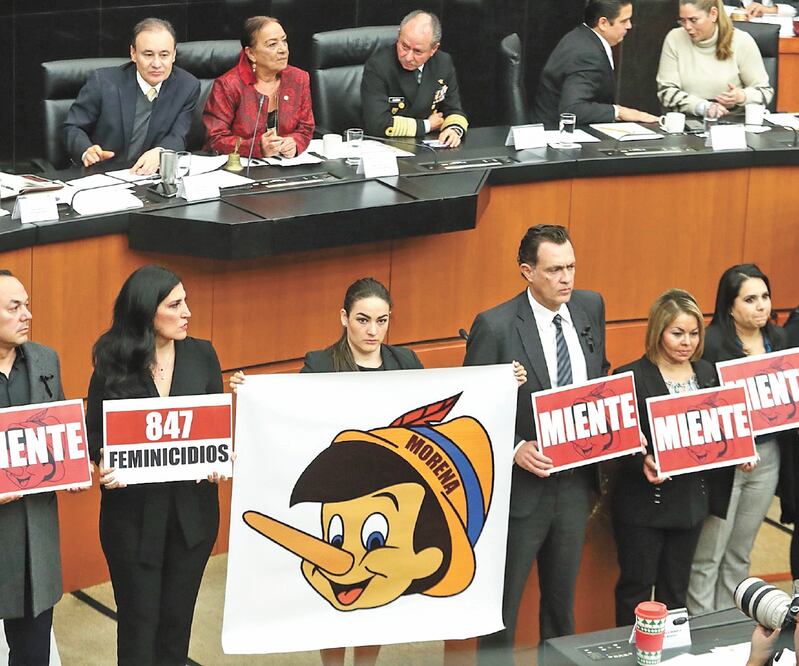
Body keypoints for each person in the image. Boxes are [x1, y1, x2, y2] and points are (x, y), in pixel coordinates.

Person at [230, 277, 527, 665]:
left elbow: (441, 408)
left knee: (376, 595)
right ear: (344, 318)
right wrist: (250, 391)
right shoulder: (320, 364)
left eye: (382, 321)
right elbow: (292, 413)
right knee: (336, 588)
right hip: (341, 499)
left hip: (387, 502)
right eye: (363, 320)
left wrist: (504, 382)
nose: (373, 331)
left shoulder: (406, 362)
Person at [463, 224, 610, 663]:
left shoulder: (590, 306)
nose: (567, 279)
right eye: (554, 270)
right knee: (503, 608)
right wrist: (512, 447)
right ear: (527, 271)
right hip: (521, 492)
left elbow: (597, 375)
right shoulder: (496, 326)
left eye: (571, 267)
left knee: (561, 605)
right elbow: (470, 406)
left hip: (574, 483)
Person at [87, 265, 225, 666]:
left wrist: (220, 456)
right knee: (137, 626)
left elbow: (213, 428)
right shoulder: (112, 363)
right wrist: (104, 464)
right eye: (175, 304)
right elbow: (97, 438)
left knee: (176, 627)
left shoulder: (203, 354)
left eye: (186, 302)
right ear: (148, 312)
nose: (187, 313)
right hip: (131, 522)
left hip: (192, 520)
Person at [611, 289, 720, 626]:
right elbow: (616, 442)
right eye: (677, 333)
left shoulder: (709, 373)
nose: (686, 341)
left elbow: (719, 433)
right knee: (636, 588)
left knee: (676, 591)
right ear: (658, 331)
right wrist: (641, 458)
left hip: (690, 506)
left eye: (693, 333)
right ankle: (631, 657)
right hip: (643, 505)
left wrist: (738, 450)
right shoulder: (628, 376)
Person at [687, 264, 787, 614]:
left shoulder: (781, 340)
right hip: (724, 464)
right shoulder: (711, 344)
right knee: (707, 556)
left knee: (739, 554)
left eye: (765, 297)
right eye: (750, 299)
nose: (762, 306)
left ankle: (731, 629)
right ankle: (702, 634)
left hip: (768, 457)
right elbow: (699, 406)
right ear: (730, 306)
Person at [0, 270, 72, 666]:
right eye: (15, 307)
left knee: (32, 655)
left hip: (33, 538)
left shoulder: (45, 359)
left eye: (27, 305)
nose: (27, 314)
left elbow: (59, 427)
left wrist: (72, 466)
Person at [63, 18, 200, 174]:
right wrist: (86, 151)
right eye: (148, 54)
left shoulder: (187, 86)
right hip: (102, 175)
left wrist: (161, 152)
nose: (156, 63)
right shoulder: (103, 82)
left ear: (174, 55)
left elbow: (179, 135)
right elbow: (73, 127)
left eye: (164, 55)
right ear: (133, 54)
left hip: (148, 179)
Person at [533, 0, 658, 128]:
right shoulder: (587, 54)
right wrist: (620, 112)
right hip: (558, 135)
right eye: (624, 21)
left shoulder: (579, 37)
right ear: (603, 23)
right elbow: (572, 109)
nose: (629, 26)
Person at [203, 16, 314, 159]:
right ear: (251, 54)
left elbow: (306, 127)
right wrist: (257, 147)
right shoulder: (228, 85)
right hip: (240, 169)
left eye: (284, 41)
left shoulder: (299, 78)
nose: (283, 50)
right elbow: (215, 139)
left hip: (286, 167)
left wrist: (295, 143)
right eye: (272, 44)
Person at [361, 10, 468, 148]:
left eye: (418, 51)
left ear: (433, 49)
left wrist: (454, 130)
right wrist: (427, 125)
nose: (408, 57)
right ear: (399, 35)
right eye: (404, 46)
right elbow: (377, 124)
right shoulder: (379, 66)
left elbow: (453, 109)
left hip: (429, 147)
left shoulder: (443, 63)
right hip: (388, 146)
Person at [657, 0, 773, 118]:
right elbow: (666, 92)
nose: (687, 27)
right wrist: (702, 107)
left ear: (713, 14)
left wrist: (741, 96)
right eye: (682, 20)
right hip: (687, 121)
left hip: (732, 121)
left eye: (693, 20)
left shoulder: (741, 41)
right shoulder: (675, 38)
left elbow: (765, 92)